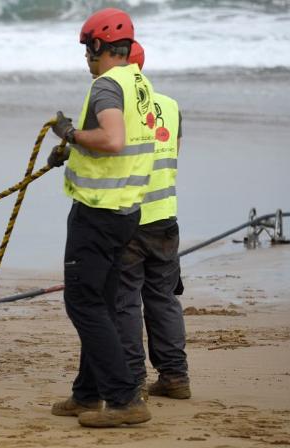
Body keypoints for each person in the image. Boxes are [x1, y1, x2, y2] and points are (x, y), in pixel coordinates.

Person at [47, 8, 156, 427]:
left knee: (83, 303)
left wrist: (71, 134)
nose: (85, 59)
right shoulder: (138, 82)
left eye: (86, 49)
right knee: (103, 303)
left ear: (97, 45)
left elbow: (112, 138)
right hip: (126, 209)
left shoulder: (107, 86)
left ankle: (124, 400)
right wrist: (74, 148)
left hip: (99, 212)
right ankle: (87, 394)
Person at [114, 42, 191, 399]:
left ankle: (132, 381)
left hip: (128, 218)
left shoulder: (116, 109)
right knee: (162, 298)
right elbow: (173, 152)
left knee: (125, 300)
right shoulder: (172, 107)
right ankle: (175, 377)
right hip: (165, 218)